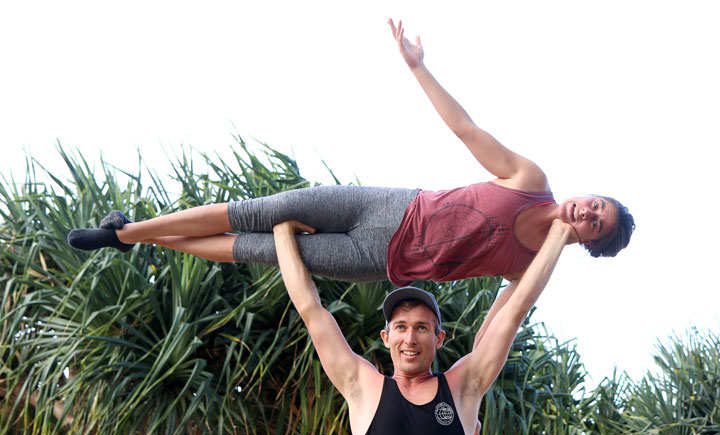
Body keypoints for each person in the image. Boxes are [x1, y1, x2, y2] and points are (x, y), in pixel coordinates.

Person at [67, 19, 634, 287]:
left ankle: (125, 236)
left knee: (258, 251)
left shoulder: (534, 266)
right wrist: (419, 67)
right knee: (261, 210)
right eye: (594, 205)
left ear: (589, 243)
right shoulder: (530, 179)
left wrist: (472, 403)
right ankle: (128, 232)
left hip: (381, 262)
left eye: (594, 224)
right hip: (389, 208)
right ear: (586, 197)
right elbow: (466, 129)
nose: (585, 213)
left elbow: (501, 326)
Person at [272, 214, 575, 435]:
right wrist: (282, 231)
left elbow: (515, 312)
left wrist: (558, 234)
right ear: (387, 338)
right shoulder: (364, 387)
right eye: (400, 327)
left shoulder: (463, 389)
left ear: (439, 338)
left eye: (421, 328)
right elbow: (311, 310)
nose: (410, 339)